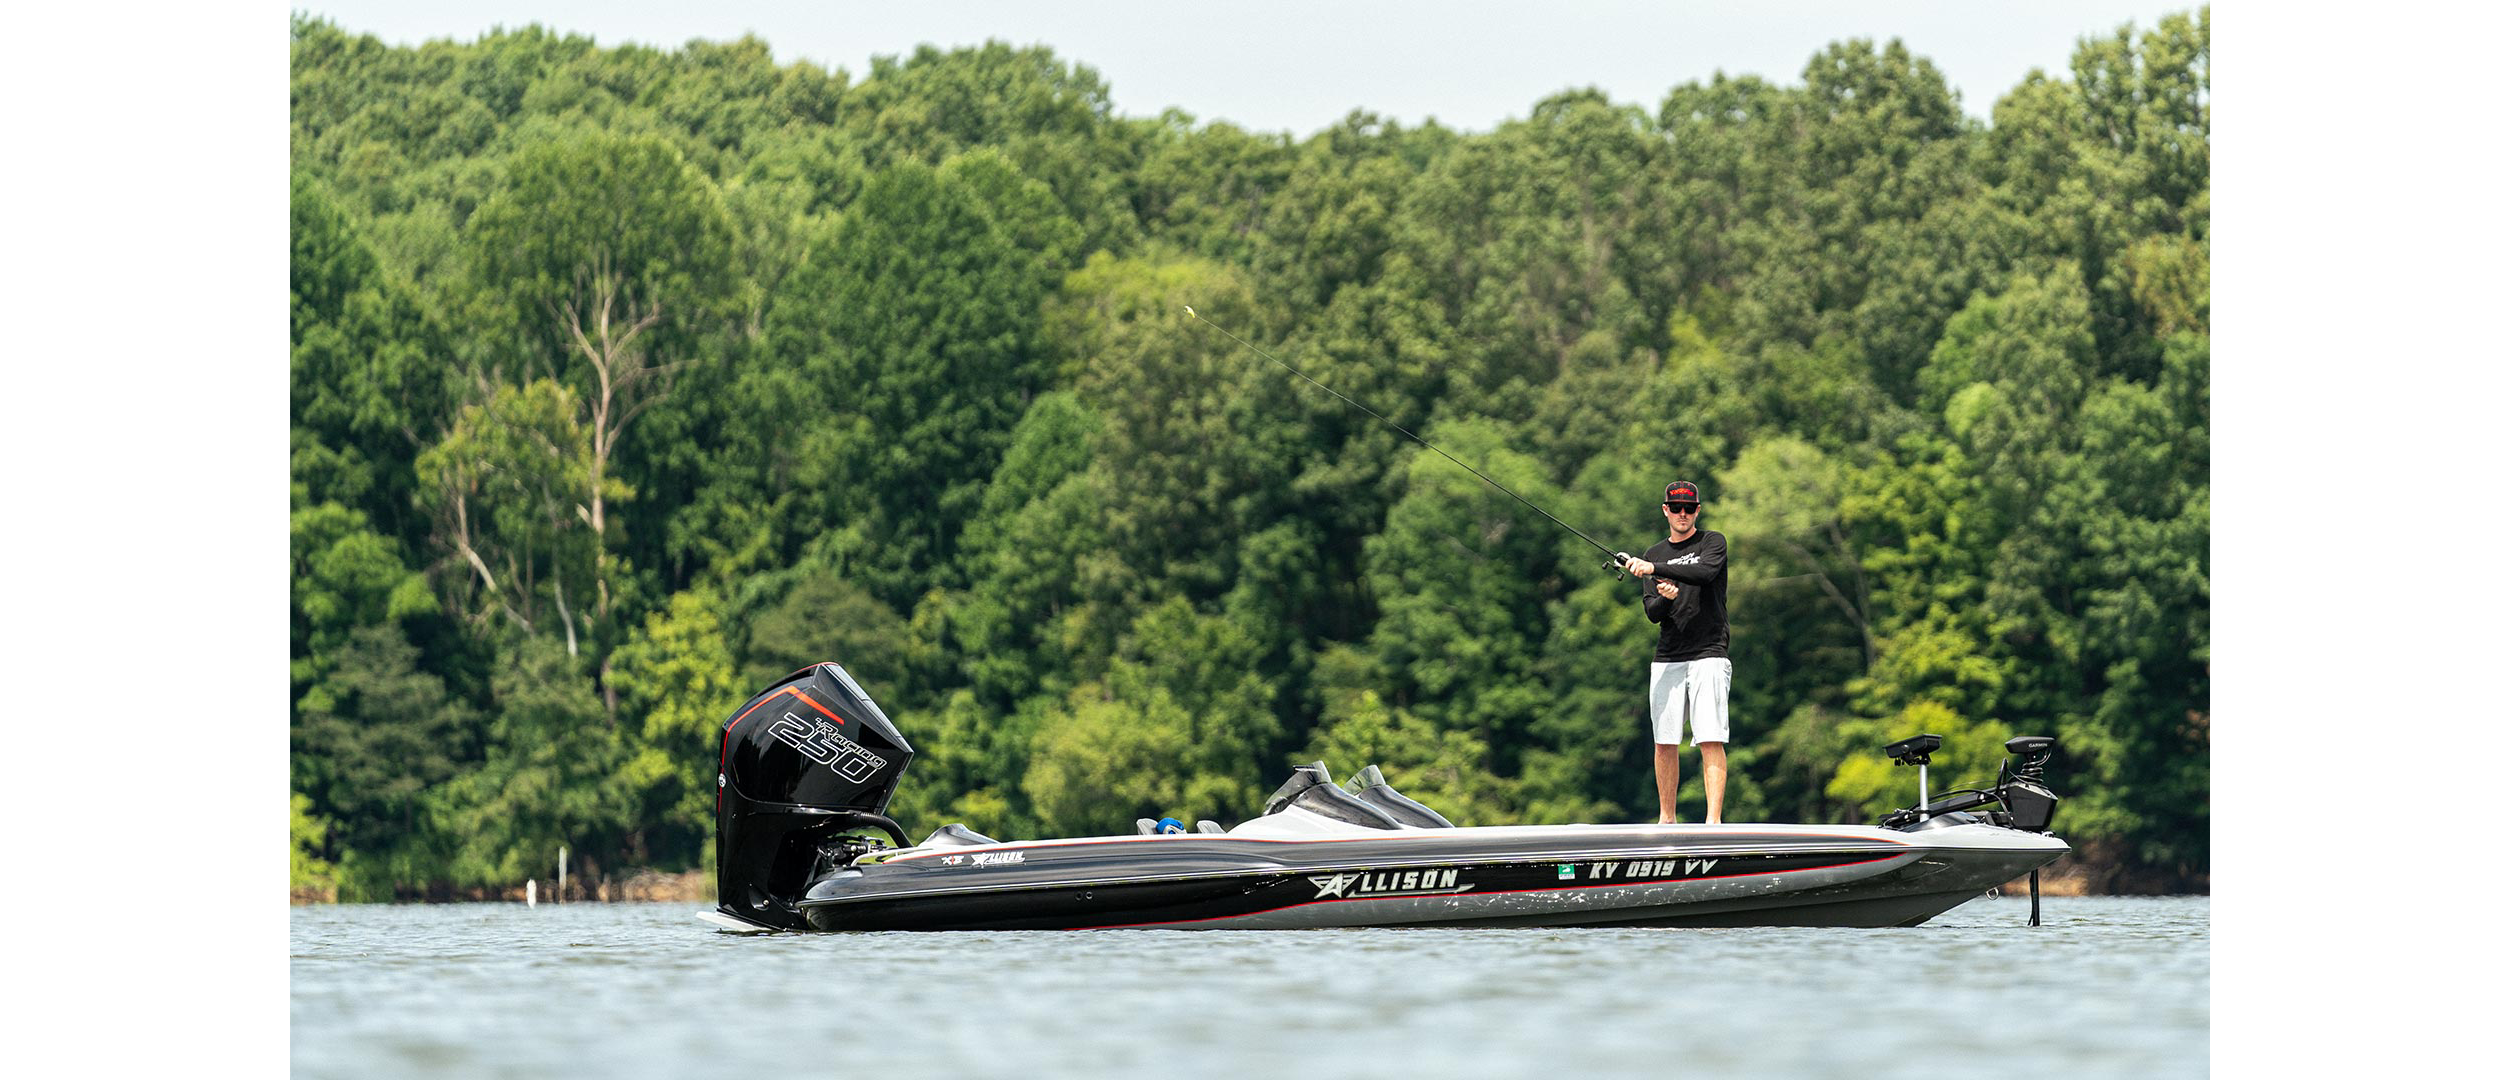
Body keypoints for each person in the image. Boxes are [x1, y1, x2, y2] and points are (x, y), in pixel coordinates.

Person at [1621, 480, 1730, 825]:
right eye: (1676, 507)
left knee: (1710, 737)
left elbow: (1704, 573)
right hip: (1668, 655)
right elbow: (1652, 612)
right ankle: (1667, 819)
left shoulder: (1712, 542)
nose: (1682, 514)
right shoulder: (1654, 553)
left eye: (1689, 508)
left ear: (1697, 510)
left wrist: (1656, 570)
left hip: (1709, 652)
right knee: (1664, 741)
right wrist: (1666, 599)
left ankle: (1714, 822)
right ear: (1665, 510)